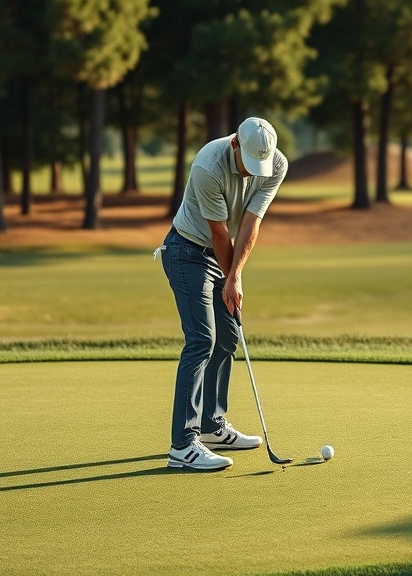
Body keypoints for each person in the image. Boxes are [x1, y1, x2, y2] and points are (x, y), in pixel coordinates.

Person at [155, 117, 288, 471]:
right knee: (201, 340)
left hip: (220, 256)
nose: (252, 172)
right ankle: (182, 445)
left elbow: (250, 223)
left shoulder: (275, 164)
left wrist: (236, 277)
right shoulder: (207, 165)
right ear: (234, 145)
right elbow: (218, 234)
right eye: (248, 163)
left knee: (227, 336)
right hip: (186, 251)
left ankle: (212, 425)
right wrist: (230, 278)